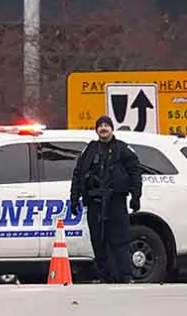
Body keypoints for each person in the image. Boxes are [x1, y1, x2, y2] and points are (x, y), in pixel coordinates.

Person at [69, 115, 143, 284]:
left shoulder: (122, 149)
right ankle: (105, 275)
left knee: (120, 240)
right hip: (95, 202)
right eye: (100, 126)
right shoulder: (90, 150)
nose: (103, 128)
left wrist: (135, 196)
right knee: (98, 240)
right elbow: (78, 174)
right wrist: (75, 198)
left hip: (115, 201)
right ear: (96, 130)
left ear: (111, 128)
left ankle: (126, 275)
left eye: (106, 125)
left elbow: (135, 173)